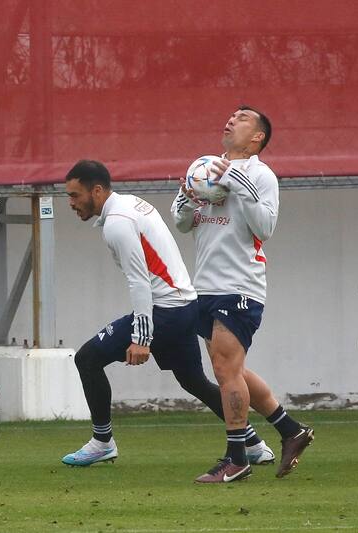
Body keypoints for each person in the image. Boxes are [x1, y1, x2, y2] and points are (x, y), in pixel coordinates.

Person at [62, 160, 274, 478]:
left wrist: (140, 337)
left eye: (75, 195)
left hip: (167, 311)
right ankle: (253, 444)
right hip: (184, 306)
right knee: (193, 380)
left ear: (96, 190)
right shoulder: (131, 204)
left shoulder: (117, 222)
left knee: (87, 358)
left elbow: (139, 281)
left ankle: (102, 441)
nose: (71, 203)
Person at [172, 106, 314, 481]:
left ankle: (238, 459)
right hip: (205, 285)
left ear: (258, 138)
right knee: (233, 370)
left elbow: (265, 227)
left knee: (224, 369)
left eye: (243, 118)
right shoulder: (204, 168)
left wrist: (234, 179)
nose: (232, 120)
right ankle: (291, 431)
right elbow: (182, 221)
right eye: (232, 116)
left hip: (239, 284)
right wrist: (189, 196)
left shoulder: (260, 174)